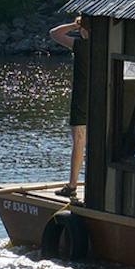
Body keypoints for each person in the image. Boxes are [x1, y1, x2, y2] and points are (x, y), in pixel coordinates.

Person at [50, 17, 88, 188]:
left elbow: (54, 33)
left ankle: (72, 184)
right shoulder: (106, 46)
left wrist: (74, 25)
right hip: (101, 98)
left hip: (82, 97)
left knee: (79, 139)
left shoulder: (81, 46)